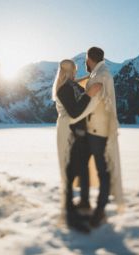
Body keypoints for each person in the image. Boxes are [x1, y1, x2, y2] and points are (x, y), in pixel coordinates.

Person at [70, 47, 124, 227]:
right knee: (83, 165)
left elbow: (92, 102)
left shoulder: (102, 74)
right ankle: (85, 201)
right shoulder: (97, 73)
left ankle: (100, 210)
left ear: (89, 59)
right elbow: (90, 91)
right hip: (91, 130)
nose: (85, 62)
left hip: (98, 132)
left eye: (85, 59)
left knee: (102, 170)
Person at [52, 59, 101, 232]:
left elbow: (80, 90)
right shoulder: (64, 89)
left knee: (80, 168)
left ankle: (82, 207)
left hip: (78, 133)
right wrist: (89, 94)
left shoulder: (71, 85)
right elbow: (74, 110)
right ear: (68, 72)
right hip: (68, 132)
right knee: (69, 171)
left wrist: (89, 79)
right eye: (73, 71)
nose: (75, 74)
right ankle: (71, 215)